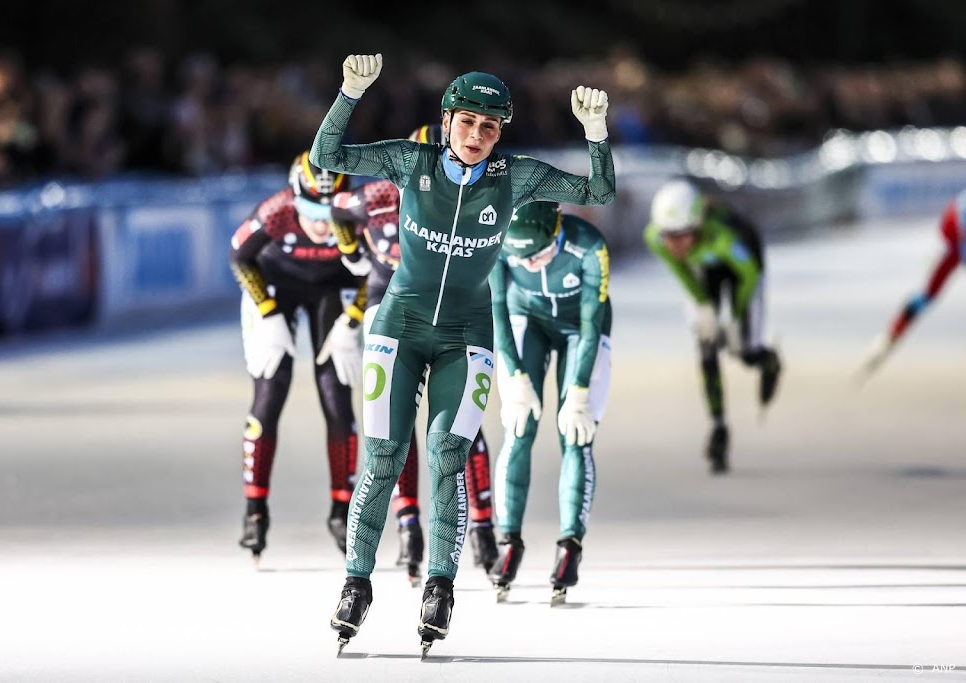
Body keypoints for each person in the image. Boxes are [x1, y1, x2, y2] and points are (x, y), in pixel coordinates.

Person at [309, 53, 615, 656]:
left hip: (467, 334)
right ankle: (356, 583)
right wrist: (348, 94)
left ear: (502, 133)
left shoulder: (516, 175)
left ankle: (441, 589)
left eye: (491, 127)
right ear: (446, 120)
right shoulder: (410, 159)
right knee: (383, 457)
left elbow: (599, 190)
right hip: (398, 325)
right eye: (467, 122)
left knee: (449, 455)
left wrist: (596, 135)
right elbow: (327, 159)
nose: (477, 137)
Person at [329, 124, 500, 588]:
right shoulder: (381, 192)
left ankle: (483, 524)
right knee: (391, 436)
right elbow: (339, 207)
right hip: (391, 308)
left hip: (451, 320)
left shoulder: (476, 194)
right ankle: (407, 524)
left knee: (457, 436)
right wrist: (353, 264)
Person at [229, 150, 366, 563]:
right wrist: (267, 313)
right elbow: (240, 256)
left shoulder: (360, 215)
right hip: (277, 289)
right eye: (311, 211)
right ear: (294, 199)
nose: (323, 225)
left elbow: (378, 270)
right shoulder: (275, 211)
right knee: (269, 395)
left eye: (331, 214)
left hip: (333, 293)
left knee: (338, 401)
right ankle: (255, 512)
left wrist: (353, 320)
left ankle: (342, 513)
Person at [488, 201, 612, 607]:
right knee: (518, 426)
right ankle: (507, 540)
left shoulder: (589, 245)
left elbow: (592, 323)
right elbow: (497, 310)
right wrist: (514, 373)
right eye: (524, 258)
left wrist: (579, 389)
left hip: (582, 328)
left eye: (540, 255)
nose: (534, 265)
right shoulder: (502, 245)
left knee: (576, 433)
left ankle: (570, 543)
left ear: (558, 233)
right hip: (529, 321)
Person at [644, 178, 782, 475]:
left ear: (698, 225)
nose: (675, 244)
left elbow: (750, 276)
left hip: (744, 269)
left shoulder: (724, 236)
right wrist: (702, 303)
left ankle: (768, 359)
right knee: (706, 347)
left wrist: (735, 318)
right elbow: (681, 270)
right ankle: (718, 428)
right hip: (706, 269)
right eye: (669, 236)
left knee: (745, 351)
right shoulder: (656, 238)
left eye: (682, 236)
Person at [857, 192, 965, 379]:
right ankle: (889, 338)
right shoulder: (954, 226)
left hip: (954, 240)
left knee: (926, 296)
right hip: (952, 245)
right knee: (926, 295)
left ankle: (889, 338)